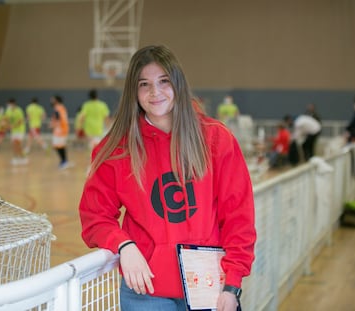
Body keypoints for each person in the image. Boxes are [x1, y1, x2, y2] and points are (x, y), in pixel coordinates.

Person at [79, 45, 256, 311]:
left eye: (164, 81)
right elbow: (94, 215)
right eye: (144, 84)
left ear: (178, 85)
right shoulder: (116, 150)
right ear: (133, 92)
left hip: (208, 286)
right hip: (145, 290)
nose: (155, 92)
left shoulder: (216, 139)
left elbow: (238, 217)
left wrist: (232, 284)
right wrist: (123, 244)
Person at [50, 95, 72, 169]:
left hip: (60, 130)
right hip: (62, 129)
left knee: (58, 146)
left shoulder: (58, 108)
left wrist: (53, 125)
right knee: (60, 146)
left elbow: (57, 118)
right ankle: (64, 161)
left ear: (56, 100)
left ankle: (64, 161)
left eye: (52, 99)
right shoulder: (62, 107)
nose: (51, 101)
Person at [5, 99, 28, 165]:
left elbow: (21, 120)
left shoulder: (19, 110)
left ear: (13, 104)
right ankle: (17, 158)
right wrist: (6, 124)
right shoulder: (8, 111)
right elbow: (7, 119)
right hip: (13, 131)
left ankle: (23, 158)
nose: (8, 106)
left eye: (9, 104)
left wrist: (13, 126)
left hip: (20, 130)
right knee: (14, 145)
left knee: (17, 144)